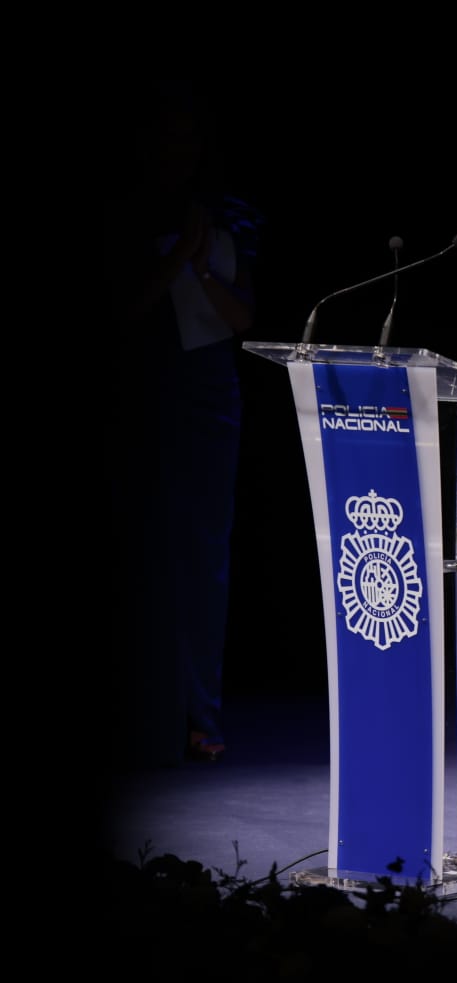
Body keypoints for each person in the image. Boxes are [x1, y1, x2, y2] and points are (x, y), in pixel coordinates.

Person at [108, 82, 258, 767]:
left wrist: (199, 262)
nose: (179, 148)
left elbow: (244, 319)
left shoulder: (229, 215)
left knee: (203, 561)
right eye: (166, 133)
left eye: (189, 135)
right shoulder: (126, 209)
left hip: (208, 394)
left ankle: (202, 715)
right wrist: (173, 258)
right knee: (139, 554)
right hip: (140, 388)